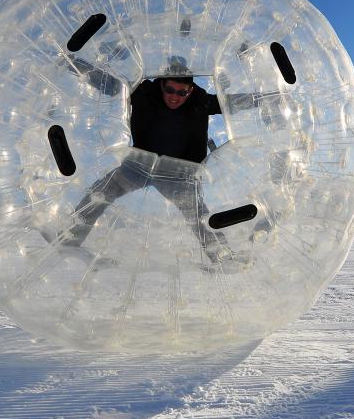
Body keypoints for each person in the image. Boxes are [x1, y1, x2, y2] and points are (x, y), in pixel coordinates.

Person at [56, 57, 237, 264]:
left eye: (182, 92)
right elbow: (110, 84)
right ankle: (70, 239)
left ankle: (222, 256)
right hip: (139, 165)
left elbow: (232, 103)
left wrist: (271, 97)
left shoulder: (201, 101)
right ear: (162, 84)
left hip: (178, 174)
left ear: (191, 90)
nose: (174, 97)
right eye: (170, 90)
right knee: (102, 191)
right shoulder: (144, 94)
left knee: (197, 214)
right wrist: (76, 64)